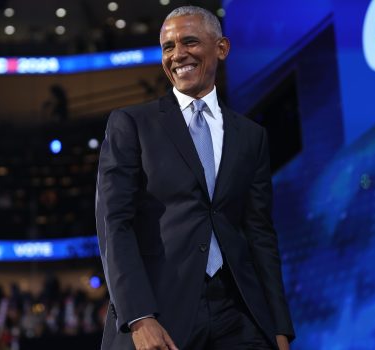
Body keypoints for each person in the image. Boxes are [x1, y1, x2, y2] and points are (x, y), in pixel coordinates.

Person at [95, 6, 295, 350]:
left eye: (189, 42)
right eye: (168, 47)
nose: (177, 55)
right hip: (161, 312)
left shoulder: (251, 136)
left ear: (221, 48)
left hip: (239, 314)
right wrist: (139, 316)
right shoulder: (132, 124)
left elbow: (260, 234)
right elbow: (114, 224)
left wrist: (278, 326)